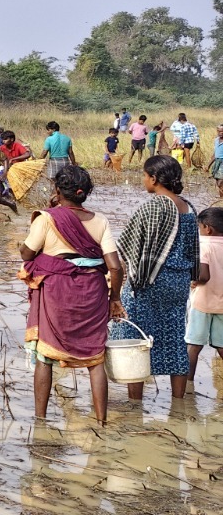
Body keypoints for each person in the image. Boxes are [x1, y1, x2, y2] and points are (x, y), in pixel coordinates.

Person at [18, 165, 121, 424]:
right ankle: (101, 421)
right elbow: (116, 267)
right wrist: (115, 299)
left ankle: (40, 420)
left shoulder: (46, 218)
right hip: (93, 293)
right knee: (95, 358)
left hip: (57, 293)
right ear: (85, 193)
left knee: (45, 355)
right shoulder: (100, 221)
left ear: (56, 190)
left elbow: (27, 254)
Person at [112, 155, 199, 403]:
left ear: (153, 178)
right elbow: (192, 250)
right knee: (174, 336)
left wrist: (133, 279)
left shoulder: (155, 205)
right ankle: (179, 401)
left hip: (151, 282)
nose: (143, 180)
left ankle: (135, 401)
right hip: (178, 284)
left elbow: (134, 244)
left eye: (143, 175)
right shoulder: (188, 207)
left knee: (136, 338)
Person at [187, 208, 223, 395]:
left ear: (207, 228)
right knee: (221, 344)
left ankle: (187, 383)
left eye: (199, 227)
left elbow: (204, 275)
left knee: (194, 344)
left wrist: (194, 281)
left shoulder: (204, 244)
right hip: (222, 304)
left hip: (203, 302)